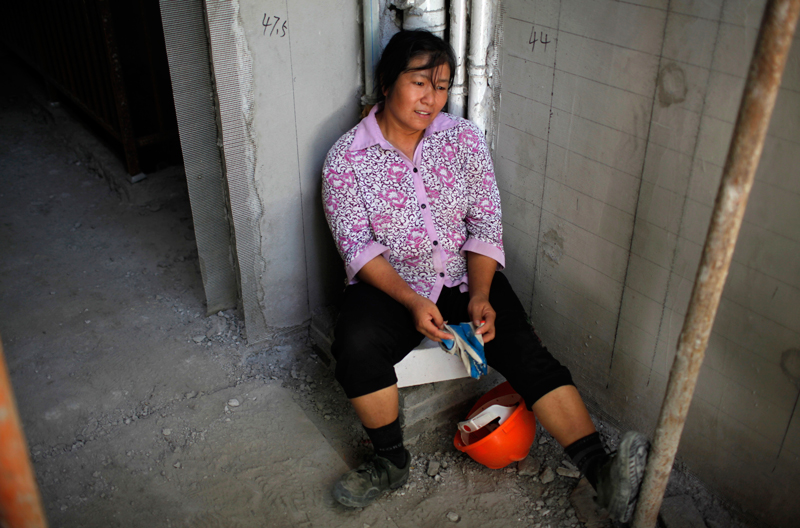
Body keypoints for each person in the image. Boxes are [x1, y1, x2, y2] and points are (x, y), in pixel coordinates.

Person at [321, 29, 648, 523]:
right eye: (419, 82)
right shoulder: (346, 158)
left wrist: (480, 295)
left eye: (443, 85)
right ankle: (390, 461)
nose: (432, 98)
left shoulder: (463, 139)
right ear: (387, 81)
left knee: (524, 349)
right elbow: (358, 249)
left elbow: (484, 225)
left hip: (461, 273)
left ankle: (600, 471)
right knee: (356, 341)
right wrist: (411, 302)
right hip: (390, 283)